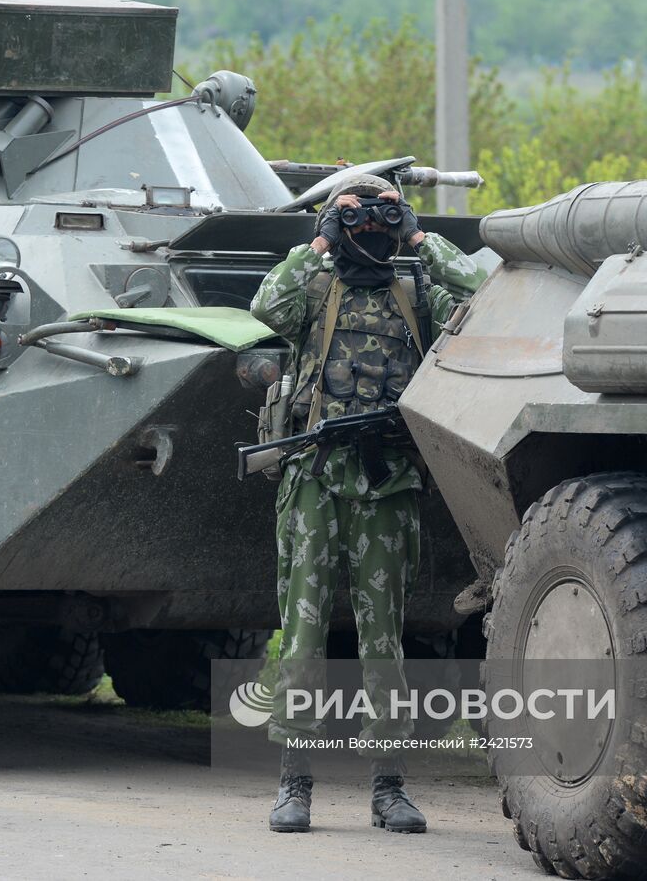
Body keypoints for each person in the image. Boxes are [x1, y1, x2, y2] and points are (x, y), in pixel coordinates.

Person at [249, 173, 487, 833]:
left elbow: (481, 293)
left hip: (388, 486)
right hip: (315, 482)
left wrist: (418, 234)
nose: (370, 226)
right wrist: (319, 239)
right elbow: (265, 306)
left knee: (384, 639)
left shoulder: (416, 294)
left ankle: (389, 787)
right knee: (303, 633)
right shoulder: (315, 291)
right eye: (358, 216)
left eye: (381, 214)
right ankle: (294, 783)